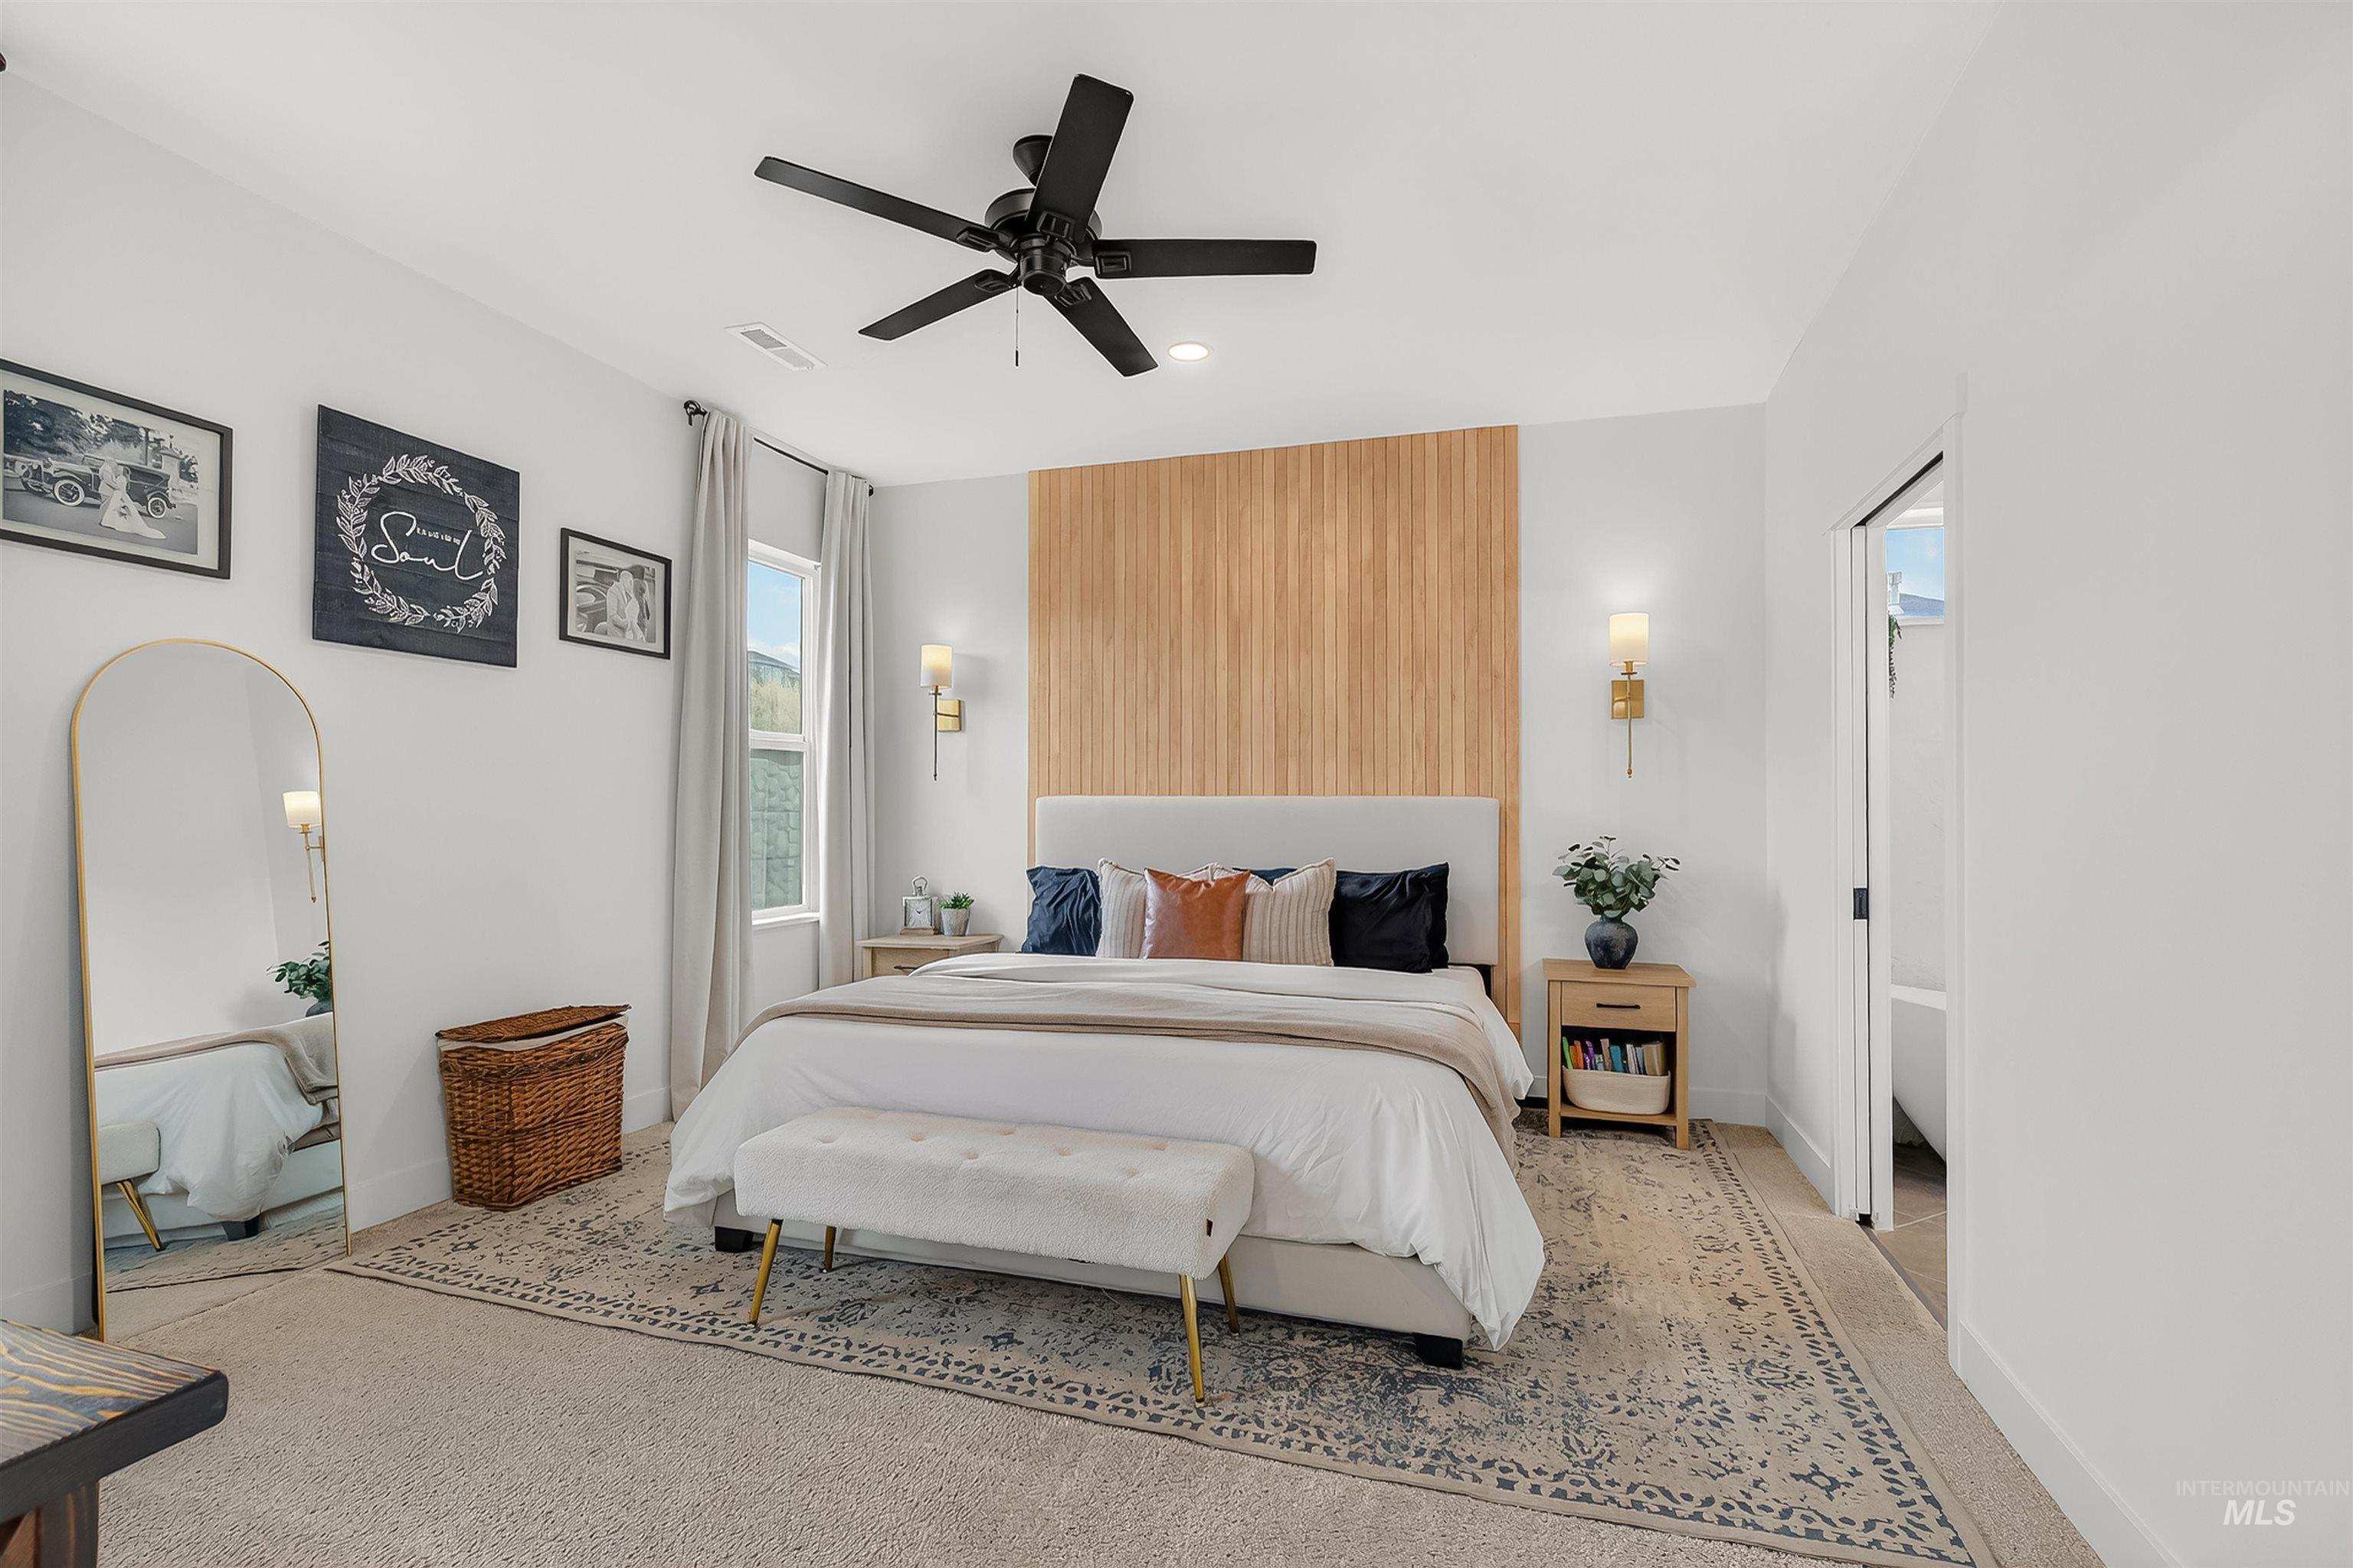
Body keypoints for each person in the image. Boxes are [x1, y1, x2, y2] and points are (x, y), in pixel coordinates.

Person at [95, 457, 165, 541]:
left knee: (108, 507)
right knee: (106, 506)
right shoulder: (112, 473)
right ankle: (104, 520)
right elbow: (111, 482)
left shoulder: (120, 478)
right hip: (111, 492)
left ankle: (104, 521)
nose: (117, 469)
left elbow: (115, 485)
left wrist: (118, 488)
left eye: (120, 469)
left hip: (115, 493)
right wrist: (118, 488)